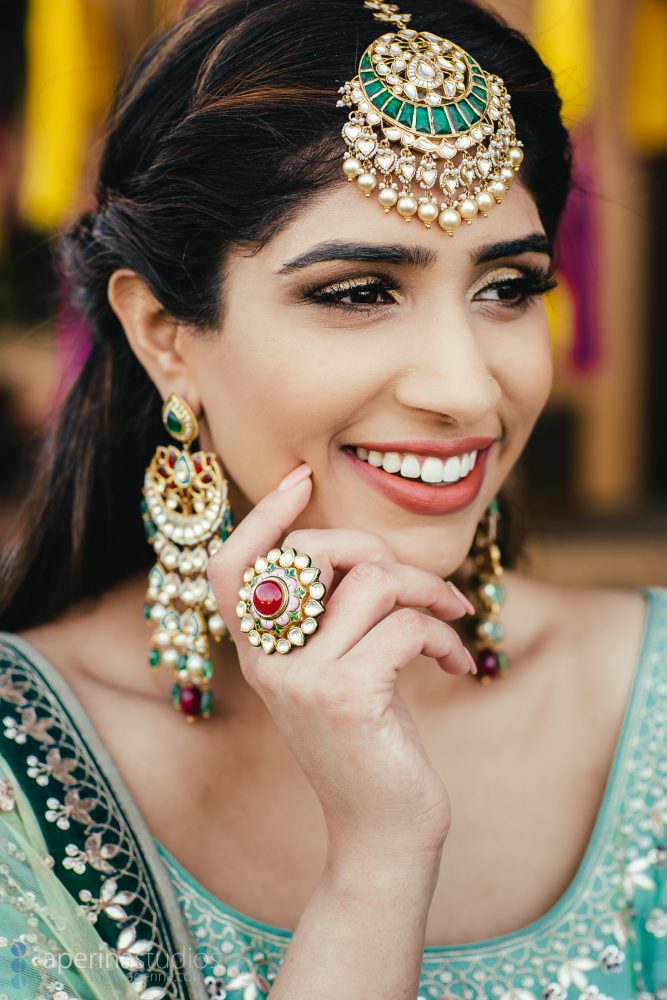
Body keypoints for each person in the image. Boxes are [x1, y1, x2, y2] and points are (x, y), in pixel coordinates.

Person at [0, 0, 665, 997]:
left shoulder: (647, 694)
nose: (466, 387)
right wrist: (377, 859)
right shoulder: (23, 770)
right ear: (162, 335)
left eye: (507, 287)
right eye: (358, 291)